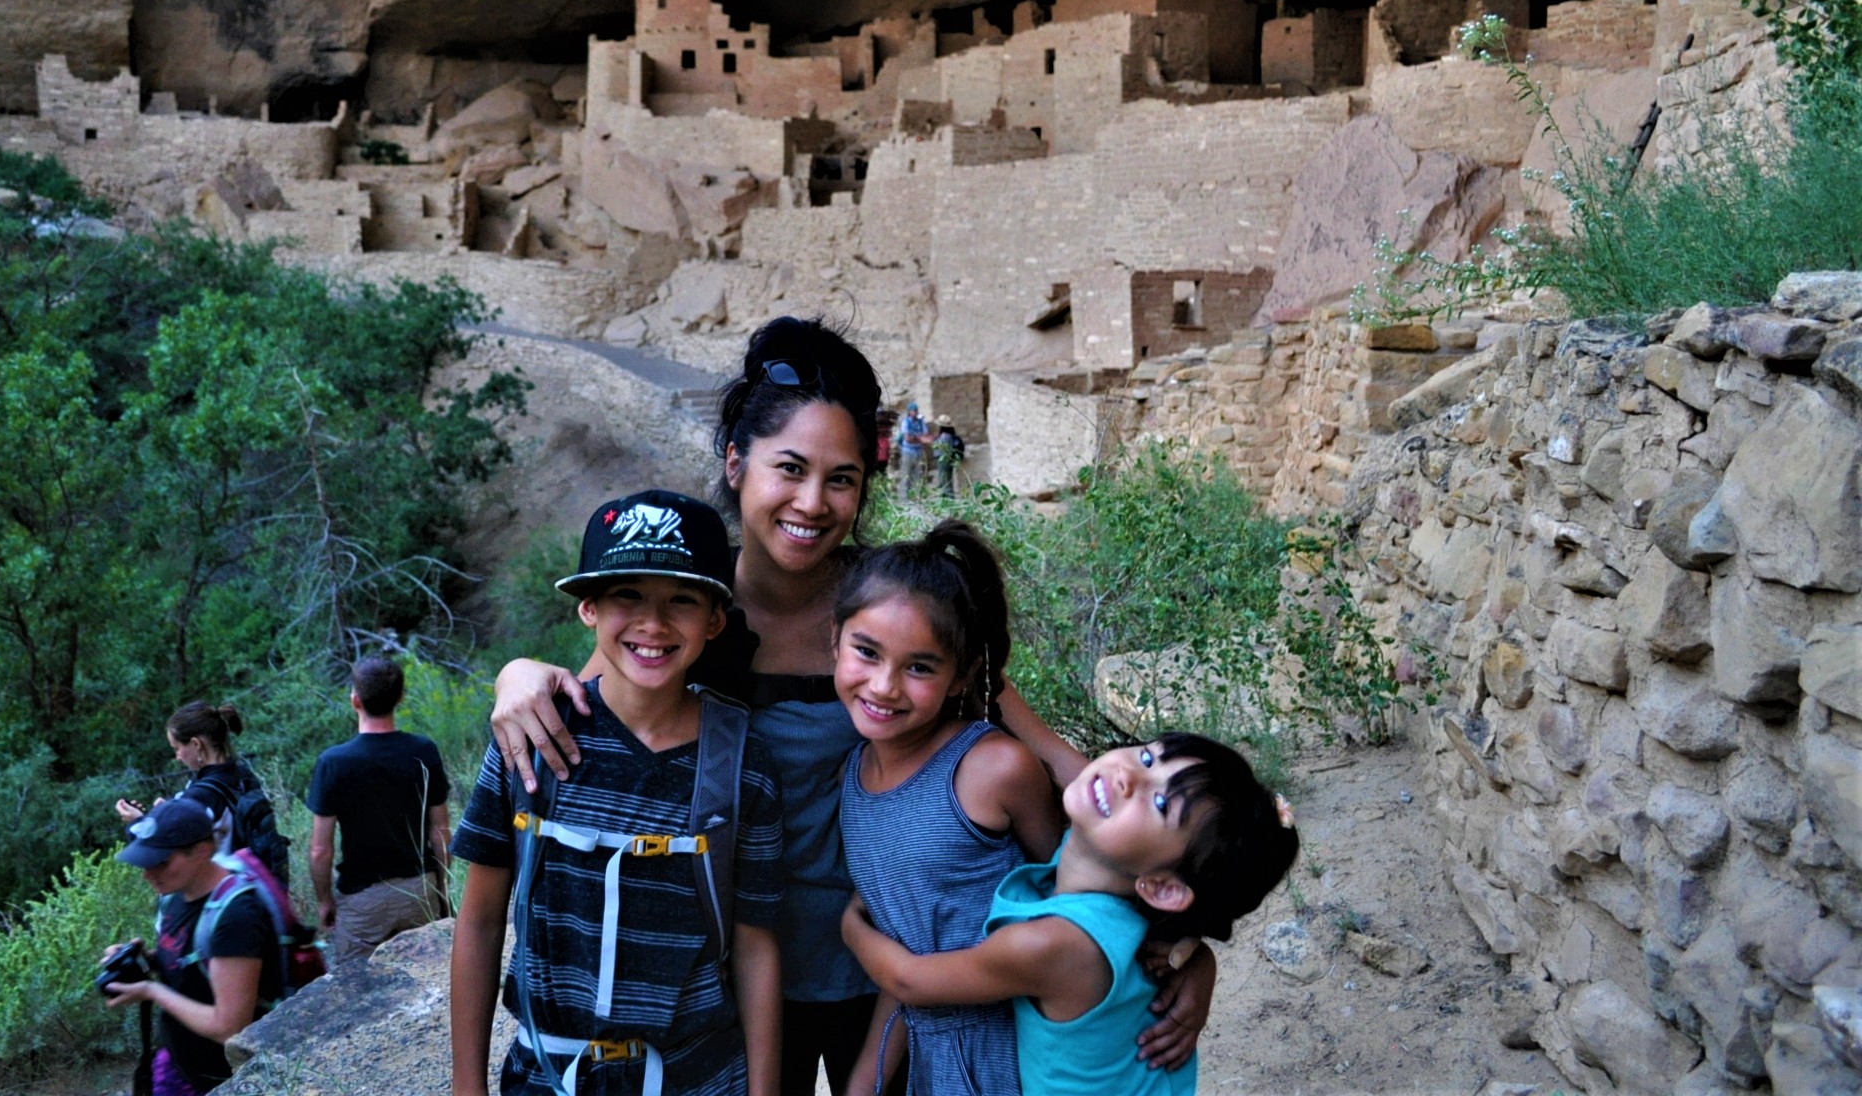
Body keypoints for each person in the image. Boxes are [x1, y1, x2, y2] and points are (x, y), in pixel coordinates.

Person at [490, 317, 1218, 1096]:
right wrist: (517, 674)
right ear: (736, 463)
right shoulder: (683, 613)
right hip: (737, 969)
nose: (813, 501)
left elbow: (1058, 766)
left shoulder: (895, 610)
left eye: (841, 478)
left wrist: (1190, 944)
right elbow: (598, 704)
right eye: (790, 469)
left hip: (897, 973)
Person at [451, 489, 786, 1096]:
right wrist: (466, 1084)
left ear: (714, 618)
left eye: (681, 600)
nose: (652, 624)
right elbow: (479, 922)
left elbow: (756, 948)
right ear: (589, 609)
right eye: (626, 595)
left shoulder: (742, 764)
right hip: (547, 1076)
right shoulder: (531, 737)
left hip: (697, 1077)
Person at [843, 734, 1301, 1096]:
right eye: (1147, 757)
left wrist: (852, 924)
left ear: (1163, 887)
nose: (1127, 777)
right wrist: (1199, 959)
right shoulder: (1109, 878)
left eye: (1161, 804)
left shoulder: (1056, 945)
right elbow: (1064, 761)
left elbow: (910, 982)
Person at [832, 521, 1064, 1096]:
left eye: (919, 667)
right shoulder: (852, 777)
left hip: (1019, 1056)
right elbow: (907, 945)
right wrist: (864, 1082)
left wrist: (1185, 957)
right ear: (832, 640)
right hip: (930, 1066)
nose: (884, 686)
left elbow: (1078, 899)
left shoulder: (993, 769)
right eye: (866, 652)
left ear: (961, 675)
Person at [105, 797, 286, 1095]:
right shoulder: (175, 896)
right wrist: (145, 961)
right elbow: (194, 964)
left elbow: (229, 1026)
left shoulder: (237, 916)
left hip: (224, 1079)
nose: (148, 873)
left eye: (160, 862)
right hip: (180, 1067)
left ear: (202, 850)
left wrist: (151, 991)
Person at [307, 655, 452, 962]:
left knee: (358, 992)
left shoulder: (334, 763)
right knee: (427, 981)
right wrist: (442, 888)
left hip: (363, 902)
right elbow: (440, 832)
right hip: (419, 889)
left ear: (354, 700)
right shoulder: (423, 751)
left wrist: (324, 901)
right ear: (400, 697)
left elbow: (321, 850)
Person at [116, 700, 288, 884]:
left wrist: (137, 822)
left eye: (177, 748)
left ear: (196, 744)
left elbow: (161, 850)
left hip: (220, 890)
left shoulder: (201, 795)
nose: (178, 757)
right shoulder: (242, 774)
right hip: (252, 882)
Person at [893, 402, 928, 499]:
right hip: (908, 451)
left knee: (918, 475)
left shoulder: (920, 422)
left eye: (916, 410)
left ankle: (917, 497)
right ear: (909, 412)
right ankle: (903, 498)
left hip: (918, 451)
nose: (916, 412)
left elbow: (925, 435)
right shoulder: (906, 422)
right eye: (914, 410)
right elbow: (908, 438)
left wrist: (917, 438)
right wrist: (919, 439)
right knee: (906, 475)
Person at [930, 416, 966, 498]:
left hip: (943, 460)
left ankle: (948, 498)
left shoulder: (945, 436)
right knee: (947, 480)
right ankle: (948, 498)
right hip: (947, 460)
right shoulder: (949, 435)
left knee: (944, 481)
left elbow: (940, 448)